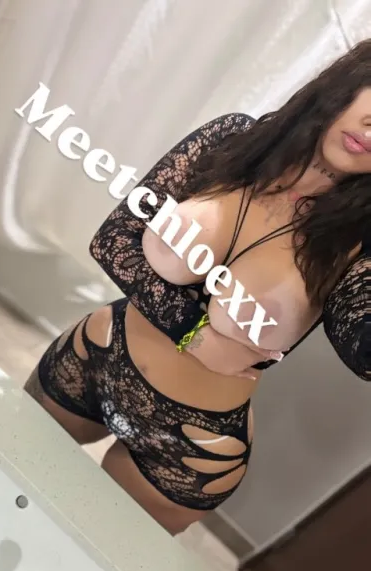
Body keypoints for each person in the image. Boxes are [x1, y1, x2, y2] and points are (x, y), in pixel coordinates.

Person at [25, 41, 371, 535]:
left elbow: (363, 342)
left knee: (71, 548)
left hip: (190, 445)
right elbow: (117, 239)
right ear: (352, 78)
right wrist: (195, 334)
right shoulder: (235, 141)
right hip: (94, 356)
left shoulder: (358, 241)